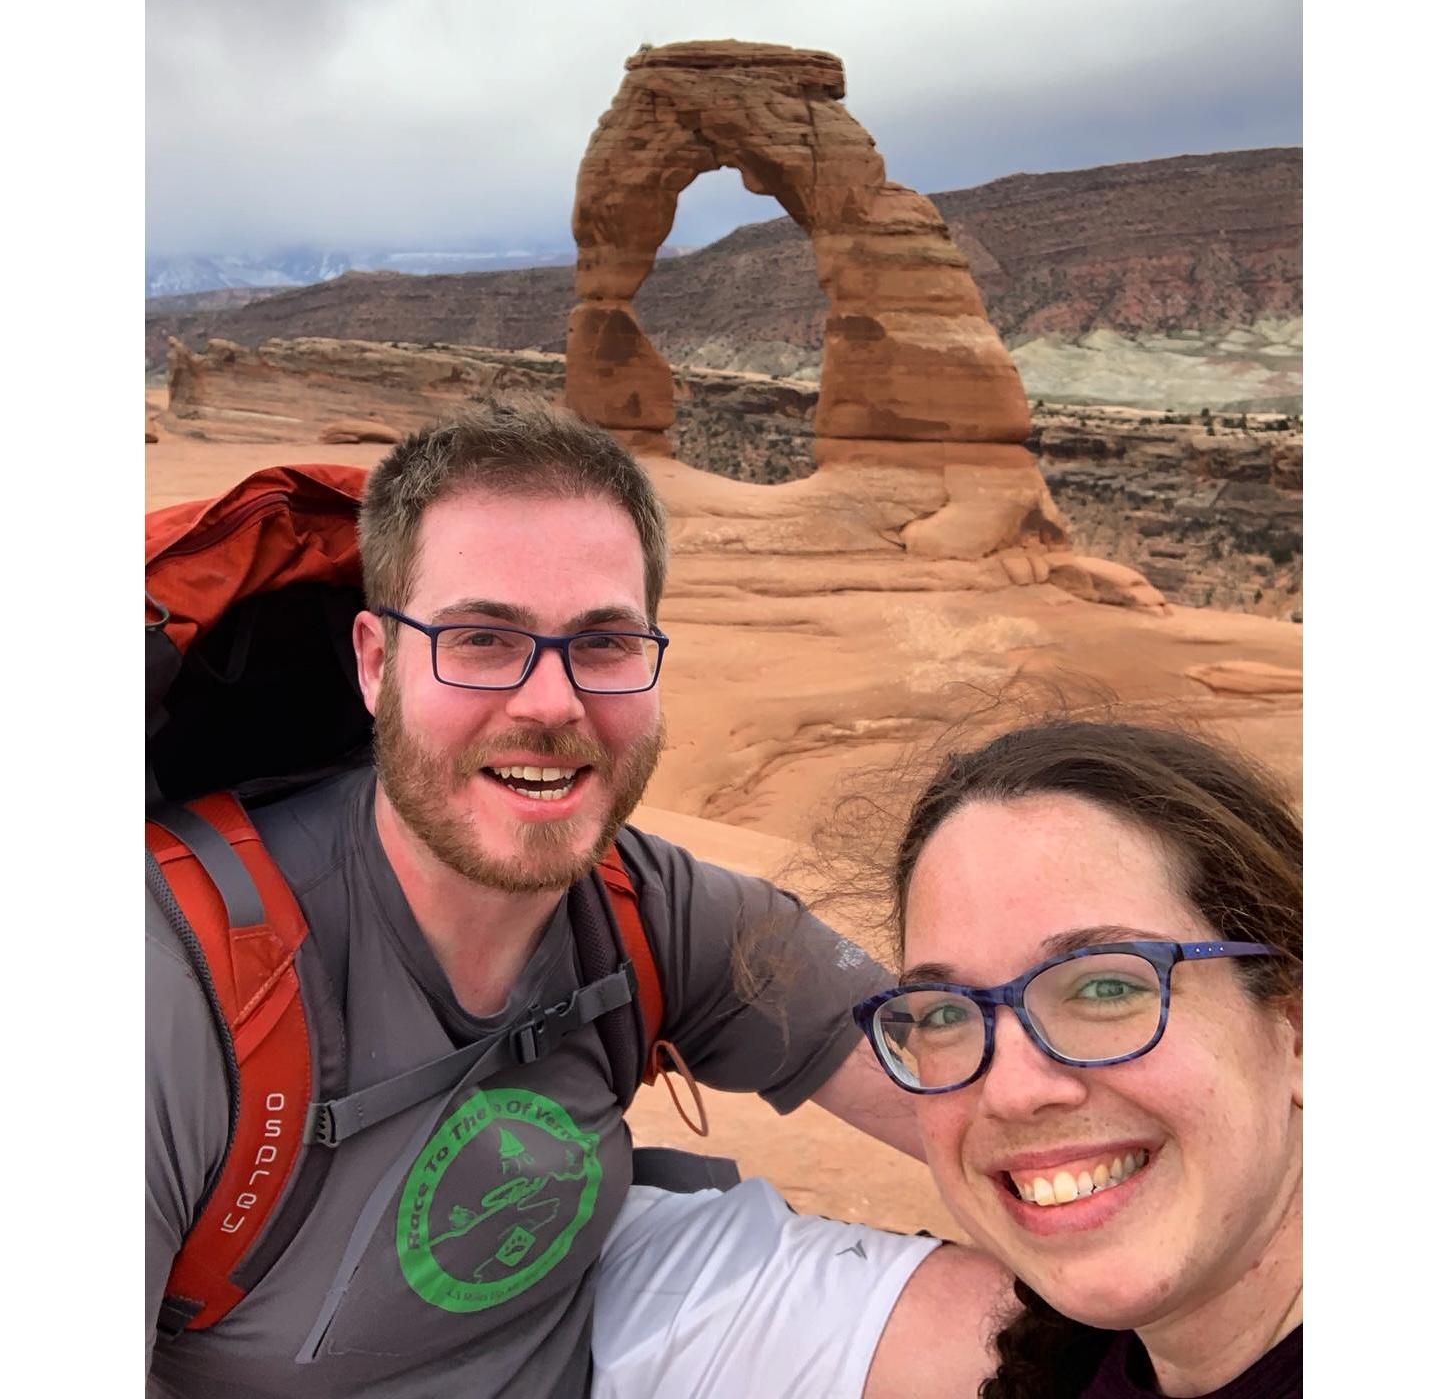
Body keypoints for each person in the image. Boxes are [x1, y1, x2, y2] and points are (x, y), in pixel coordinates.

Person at [145, 396, 1007, 1399]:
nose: (551, 702)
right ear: (375, 664)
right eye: (479, 639)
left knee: (1018, 1342)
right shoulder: (165, 986)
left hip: (583, 1325)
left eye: (600, 642)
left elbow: (980, 1098)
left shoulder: (647, 906)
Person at [852, 721, 1303, 1398]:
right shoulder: (1073, 1362)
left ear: (1297, 1028)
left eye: (1105, 986)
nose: (1011, 1092)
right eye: (945, 1011)